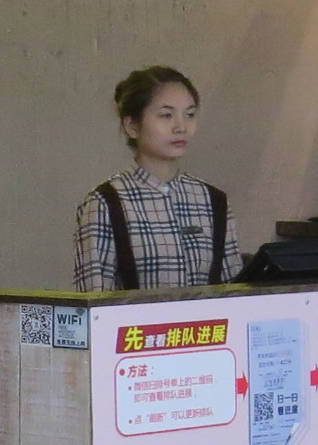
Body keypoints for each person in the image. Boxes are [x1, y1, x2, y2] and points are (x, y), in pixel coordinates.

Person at [75, 66, 242, 290]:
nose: (181, 127)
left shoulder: (214, 201)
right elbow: (94, 298)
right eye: (166, 115)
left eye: (190, 115)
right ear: (132, 126)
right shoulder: (105, 204)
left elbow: (234, 295)